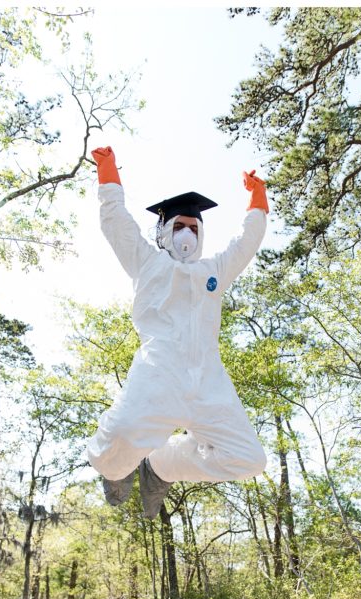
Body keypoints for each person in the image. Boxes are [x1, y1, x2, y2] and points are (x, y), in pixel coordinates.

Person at [86, 145, 269, 519]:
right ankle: (117, 471)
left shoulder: (214, 271)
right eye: (179, 226)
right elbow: (116, 222)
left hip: (209, 383)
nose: (187, 233)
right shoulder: (147, 261)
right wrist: (108, 175)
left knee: (249, 459)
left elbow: (245, 245)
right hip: (159, 373)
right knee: (113, 444)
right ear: (165, 231)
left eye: (193, 227)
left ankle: (162, 466)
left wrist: (257, 202)